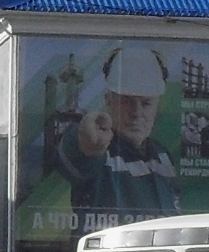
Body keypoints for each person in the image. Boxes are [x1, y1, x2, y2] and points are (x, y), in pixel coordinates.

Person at [56, 46, 179, 217]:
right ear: (108, 101)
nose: (136, 113)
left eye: (146, 103)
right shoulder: (101, 151)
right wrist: (86, 143)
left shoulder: (162, 155)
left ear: (158, 105)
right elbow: (78, 151)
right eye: (127, 102)